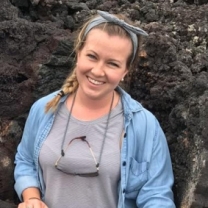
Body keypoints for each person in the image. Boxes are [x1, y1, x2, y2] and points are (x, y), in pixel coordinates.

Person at [14, 10, 175, 208]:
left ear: (126, 70)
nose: (98, 71)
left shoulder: (144, 126)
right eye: (92, 56)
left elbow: (157, 196)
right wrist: (31, 198)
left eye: (113, 64)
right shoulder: (44, 109)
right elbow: (25, 160)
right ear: (78, 52)